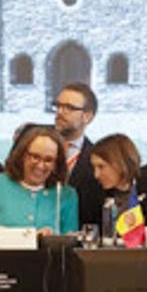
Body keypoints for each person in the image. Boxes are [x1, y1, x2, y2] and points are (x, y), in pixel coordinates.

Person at [0, 126, 77, 235]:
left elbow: (70, 241)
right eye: (35, 157)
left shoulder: (66, 195)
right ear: (22, 155)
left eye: (48, 160)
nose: (40, 165)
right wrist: (9, 234)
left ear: (56, 164)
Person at [87, 134, 147, 228]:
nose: (96, 174)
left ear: (120, 163)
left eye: (101, 167)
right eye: (94, 167)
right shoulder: (93, 195)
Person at [54, 82, 102, 226]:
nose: (60, 112)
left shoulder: (97, 158)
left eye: (69, 108)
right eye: (58, 106)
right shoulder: (34, 145)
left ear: (87, 116)